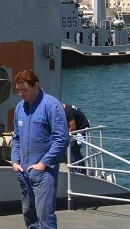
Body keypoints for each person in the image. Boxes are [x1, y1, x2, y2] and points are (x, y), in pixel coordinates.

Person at [11, 70, 69, 229]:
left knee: (45, 216)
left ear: (36, 85)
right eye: (19, 90)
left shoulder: (51, 105)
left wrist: (44, 164)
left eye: (25, 90)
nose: (21, 94)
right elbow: (16, 137)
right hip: (23, 171)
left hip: (43, 172)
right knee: (28, 214)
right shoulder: (20, 108)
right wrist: (14, 161)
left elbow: (62, 139)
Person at [63, 103, 90, 174]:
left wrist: (64, 136)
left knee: (69, 149)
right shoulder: (67, 108)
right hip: (81, 129)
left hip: (80, 131)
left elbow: (73, 128)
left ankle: (74, 170)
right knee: (76, 152)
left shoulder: (68, 112)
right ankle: (84, 171)